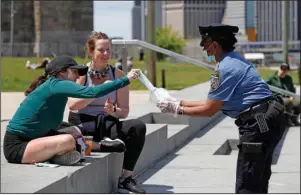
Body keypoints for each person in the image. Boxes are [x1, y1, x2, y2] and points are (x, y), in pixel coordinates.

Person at [156, 24, 286, 194]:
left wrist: (175, 110)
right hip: (268, 118)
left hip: (258, 123)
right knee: (258, 179)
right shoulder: (234, 60)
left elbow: (209, 110)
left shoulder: (224, 68)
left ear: (215, 45)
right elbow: (214, 103)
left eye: (205, 45)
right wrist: (179, 103)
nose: (204, 49)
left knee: (247, 184)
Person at [3, 55, 140, 166]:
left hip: (38, 137)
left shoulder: (55, 87)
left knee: (75, 131)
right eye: (75, 72)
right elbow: (91, 92)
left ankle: (100, 146)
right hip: (18, 147)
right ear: (62, 72)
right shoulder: (56, 84)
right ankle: (59, 155)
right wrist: (126, 79)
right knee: (68, 140)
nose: (78, 76)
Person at [67, 31, 147, 194]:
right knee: (70, 138)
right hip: (83, 123)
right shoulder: (81, 74)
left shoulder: (118, 75)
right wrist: (99, 90)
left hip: (106, 123)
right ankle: (98, 146)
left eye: (108, 50)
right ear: (90, 51)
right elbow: (72, 104)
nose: (106, 54)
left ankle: (126, 177)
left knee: (138, 127)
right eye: (101, 50)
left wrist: (113, 111)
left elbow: (124, 112)